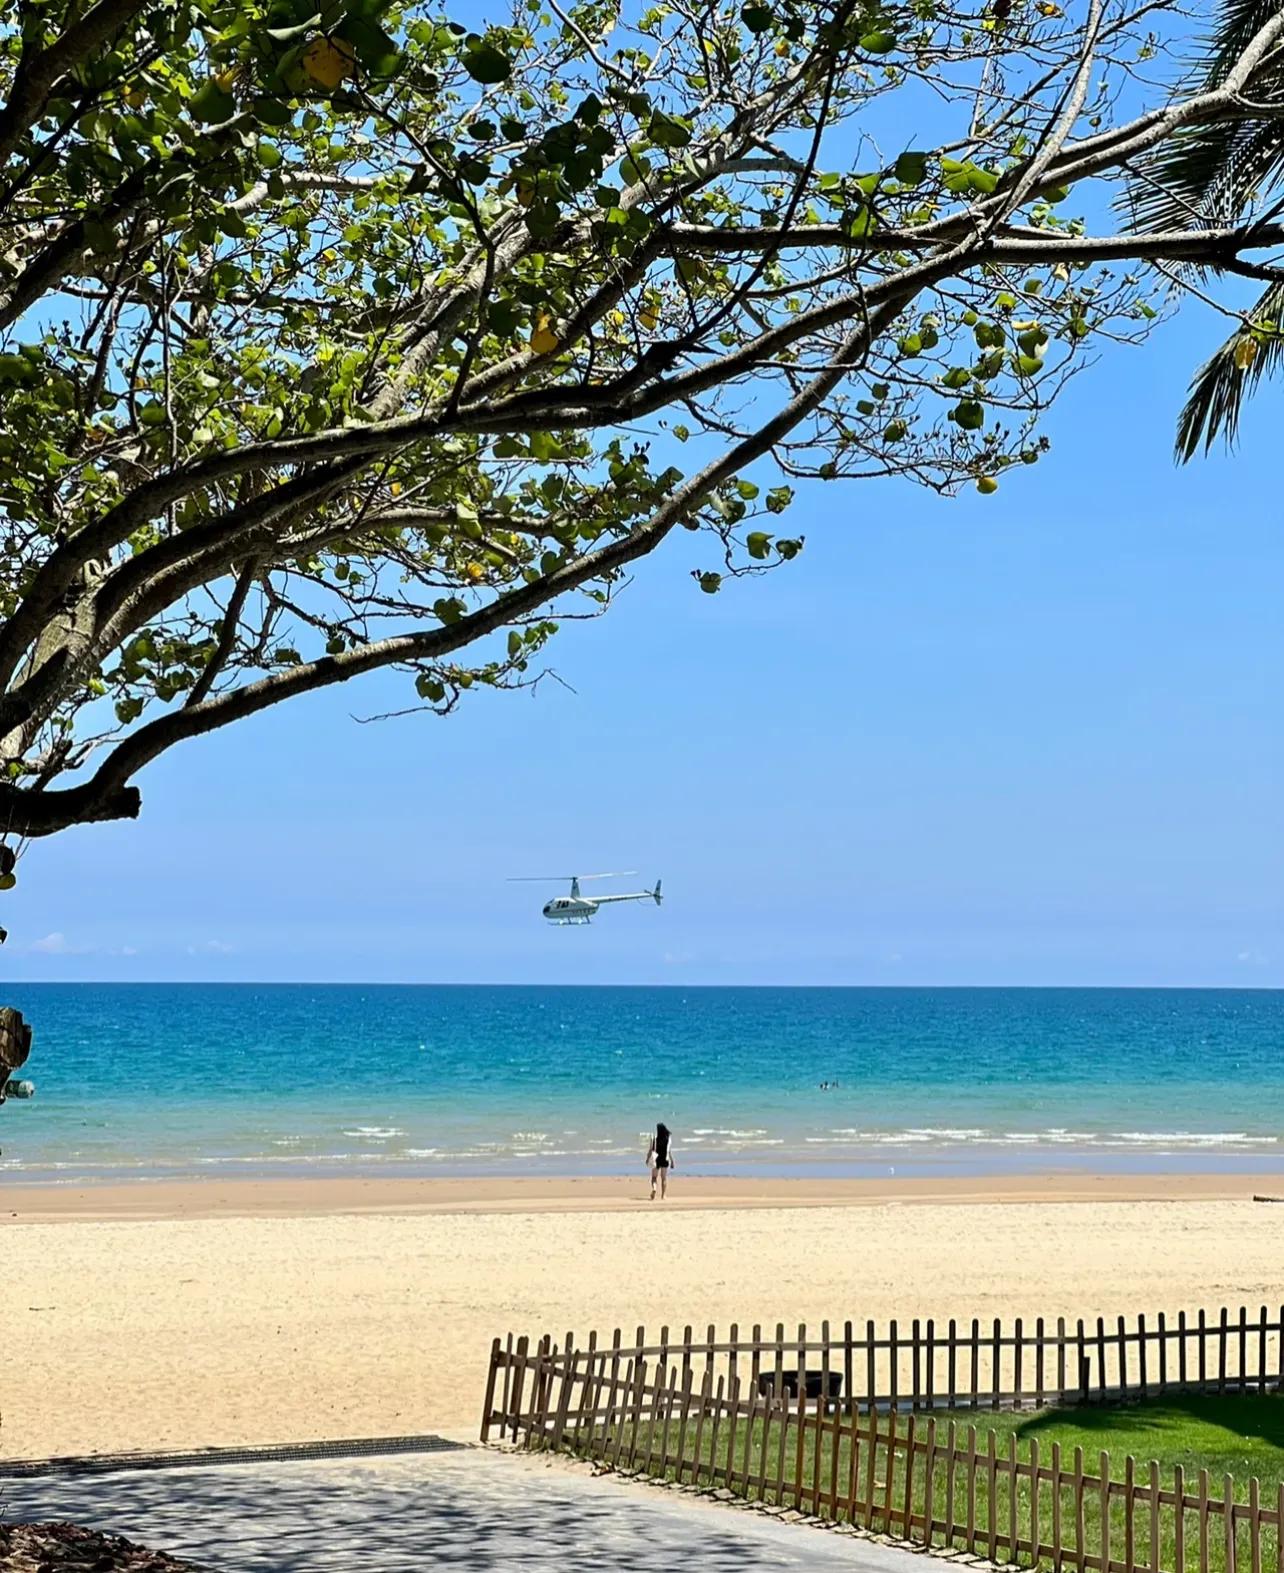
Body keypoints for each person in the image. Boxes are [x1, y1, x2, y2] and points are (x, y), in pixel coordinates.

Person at [646, 1122, 674, 1201]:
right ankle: (663, 1195)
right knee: (664, 1178)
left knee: (654, 1177)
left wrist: (647, 1159)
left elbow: (651, 1150)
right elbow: (669, 1151)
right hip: (665, 1159)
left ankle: (654, 1188)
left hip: (656, 1160)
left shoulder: (654, 1139)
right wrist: (672, 1161)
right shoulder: (668, 1139)